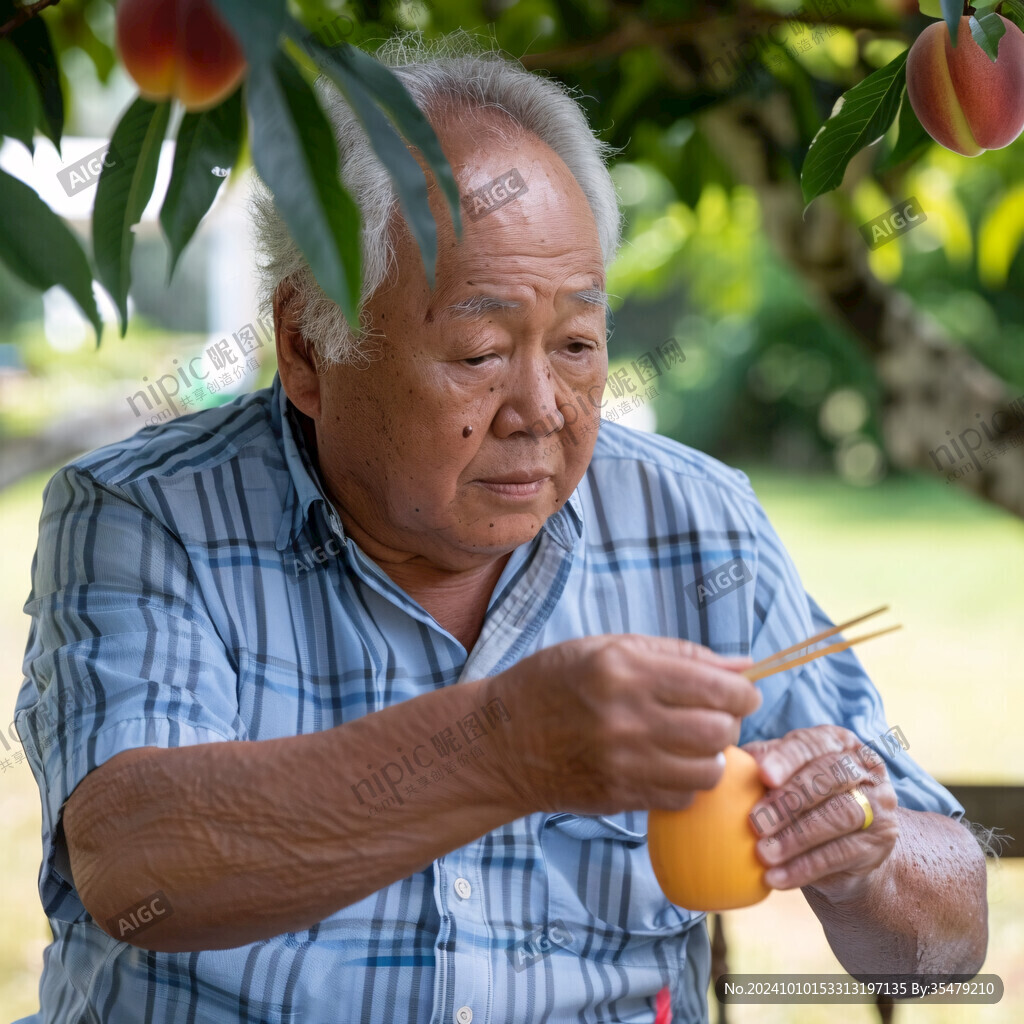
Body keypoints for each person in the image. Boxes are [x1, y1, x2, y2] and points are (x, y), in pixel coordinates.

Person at [14, 35, 986, 1024]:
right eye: (479, 351)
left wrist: (862, 854)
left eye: (575, 344)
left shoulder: (692, 520)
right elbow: (139, 863)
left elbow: (947, 944)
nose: (543, 407)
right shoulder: (149, 512)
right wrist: (502, 746)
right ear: (306, 348)